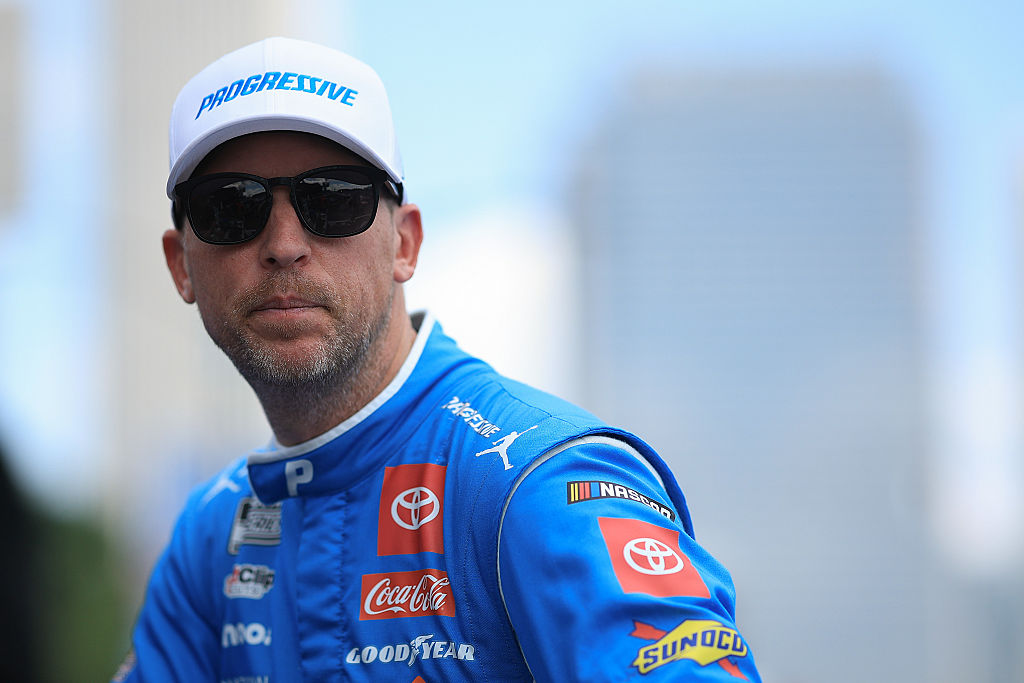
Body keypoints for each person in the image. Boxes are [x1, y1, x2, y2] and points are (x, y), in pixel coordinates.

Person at [115, 37, 761, 682]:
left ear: (405, 243)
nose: (284, 244)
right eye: (231, 208)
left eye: (332, 200)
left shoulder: (540, 484)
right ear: (180, 265)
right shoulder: (210, 536)